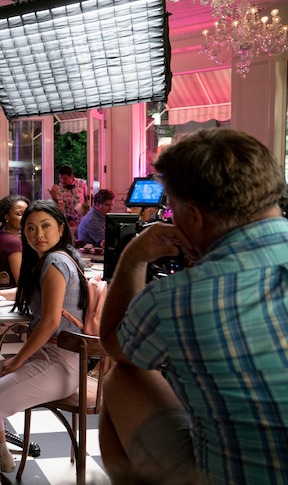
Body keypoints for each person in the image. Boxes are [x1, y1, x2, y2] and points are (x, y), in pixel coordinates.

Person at [98, 129, 288, 485]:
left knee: (123, 376)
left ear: (195, 216)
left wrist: (133, 258)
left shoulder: (177, 299)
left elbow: (113, 344)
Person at [0, 200, 87, 485]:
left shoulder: (56, 262)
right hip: (53, 358)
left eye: (45, 226)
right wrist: (6, 294)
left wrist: (18, 359)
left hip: (60, 363)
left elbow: (51, 321)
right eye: (30, 228)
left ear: (61, 227)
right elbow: (36, 293)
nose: (37, 234)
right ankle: (2, 453)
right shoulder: (57, 258)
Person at [0, 194, 30, 286]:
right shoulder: (13, 241)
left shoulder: (2, 235)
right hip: (9, 294)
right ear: (6, 217)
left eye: (26, 214)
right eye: (19, 214)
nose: (25, 218)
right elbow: (20, 280)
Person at [48, 165, 90, 233]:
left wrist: (85, 204)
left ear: (71, 176)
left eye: (64, 178)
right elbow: (60, 209)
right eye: (60, 178)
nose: (62, 181)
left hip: (83, 221)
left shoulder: (81, 183)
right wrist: (54, 198)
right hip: (69, 223)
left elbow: (88, 198)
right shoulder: (59, 189)